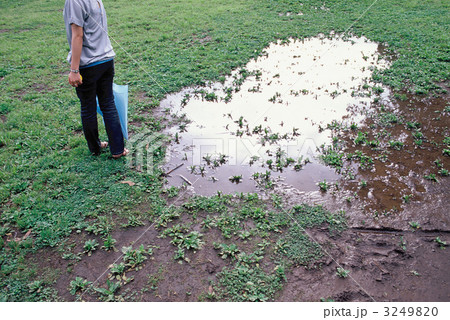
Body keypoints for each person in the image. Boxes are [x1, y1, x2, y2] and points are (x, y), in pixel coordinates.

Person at [63, 0, 128, 158]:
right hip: (106, 60)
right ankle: (118, 149)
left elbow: (78, 35)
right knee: (108, 103)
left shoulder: (74, 1)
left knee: (88, 107)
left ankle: (95, 148)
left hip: (89, 64)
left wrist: (74, 69)